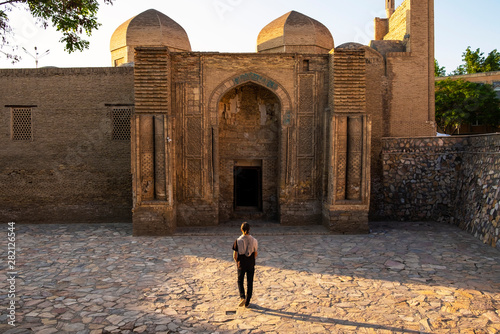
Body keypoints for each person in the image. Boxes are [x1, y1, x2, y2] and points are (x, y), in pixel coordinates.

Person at [232, 222, 258, 308]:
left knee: (240, 281)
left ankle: (242, 297)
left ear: (241, 229)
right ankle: (247, 301)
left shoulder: (238, 241)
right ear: (249, 230)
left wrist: (237, 262)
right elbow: (255, 253)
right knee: (249, 282)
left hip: (241, 264)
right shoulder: (254, 240)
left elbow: (235, 255)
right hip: (250, 263)